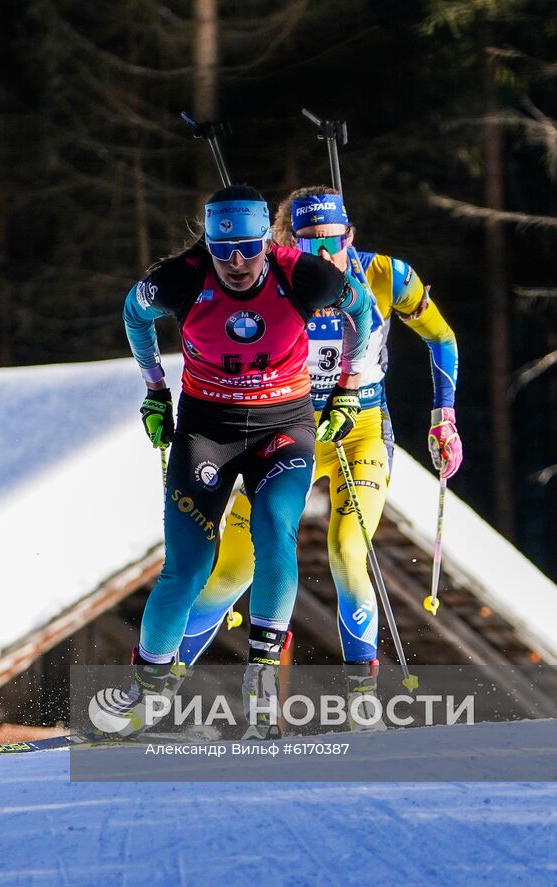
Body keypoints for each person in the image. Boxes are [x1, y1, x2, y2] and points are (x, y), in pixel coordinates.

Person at [167, 185, 462, 731]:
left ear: (351, 235)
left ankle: (361, 701)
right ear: (285, 242)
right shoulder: (272, 281)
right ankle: (159, 688)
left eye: (335, 240)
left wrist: (443, 417)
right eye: (309, 242)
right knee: (232, 569)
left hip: (359, 431)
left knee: (348, 551)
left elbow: (442, 338)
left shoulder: (387, 275)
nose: (325, 253)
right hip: (288, 431)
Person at [97, 184, 376, 739]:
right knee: (187, 567)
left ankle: (262, 683)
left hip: (284, 428)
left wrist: (347, 388)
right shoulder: (180, 278)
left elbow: (361, 311)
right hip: (208, 430)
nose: (237, 263)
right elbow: (134, 313)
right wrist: (155, 389)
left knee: (274, 529)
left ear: (267, 242)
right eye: (223, 251)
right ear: (208, 244)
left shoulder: (304, 275)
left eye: (248, 249)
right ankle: (147, 693)